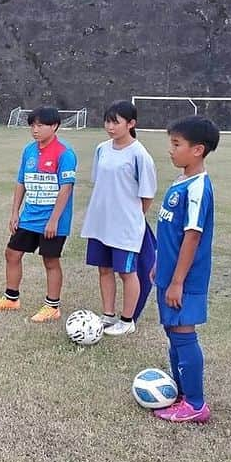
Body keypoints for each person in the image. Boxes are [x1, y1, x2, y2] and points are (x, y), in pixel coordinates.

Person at [152, 116, 219, 424]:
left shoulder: (198, 188)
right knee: (173, 332)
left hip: (185, 279)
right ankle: (182, 394)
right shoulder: (181, 181)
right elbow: (170, 231)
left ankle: (195, 404)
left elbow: (192, 237)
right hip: (168, 275)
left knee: (183, 334)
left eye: (177, 144)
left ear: (198, 150)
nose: (171, 150)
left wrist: (177, 281)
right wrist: (158, 264)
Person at [0, 106, 77, 322]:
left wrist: (54, 220)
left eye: (40, 125)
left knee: (50, 260)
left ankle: (52, 306)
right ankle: (11, 298)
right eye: (32, 125)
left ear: (54, 126)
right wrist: (15, 212)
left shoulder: (65, 153)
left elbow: (66, 188)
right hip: (29, 217)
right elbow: (21, 182)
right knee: (12, 253)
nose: (35, 130)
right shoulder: (29, 151)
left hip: (52, 220)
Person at [80, 100, 158, 336]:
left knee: (127, 272)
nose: (110, 127)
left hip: (124, 226)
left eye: (116, 122)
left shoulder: (139, 155)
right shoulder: (102, 149)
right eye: (107, 121)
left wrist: (131, 218)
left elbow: (147, 195)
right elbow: (100, 183)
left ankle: (127, 320)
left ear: (131, 123)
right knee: (104, 269)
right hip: (100, 222)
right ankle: (108, 315)